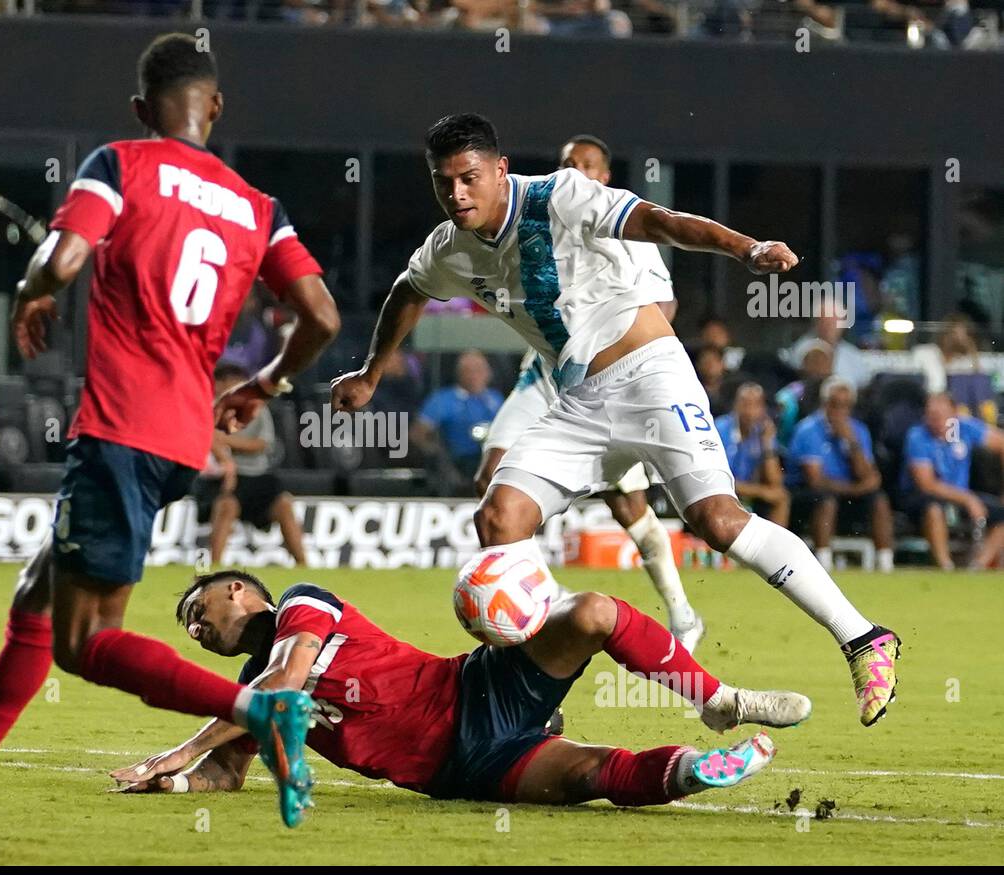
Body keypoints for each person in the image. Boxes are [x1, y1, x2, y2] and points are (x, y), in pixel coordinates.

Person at [0, 34, 343, 846]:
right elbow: (324, 317)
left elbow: (66, 255)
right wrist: (265, 384)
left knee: (86, 646)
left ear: (139, 109)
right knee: (34, 606)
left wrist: (31, 290)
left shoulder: (120, 163)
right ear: (215, 108)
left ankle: (258, 707)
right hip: (181, 443)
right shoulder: (259, 208)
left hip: (119, 428)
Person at [332, 113, 899, 727]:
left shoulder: (559, 194)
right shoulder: (449, 245)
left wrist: (746, 247)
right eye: (444, 183)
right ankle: (534, 690)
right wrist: (371, 372)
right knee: (498, 518)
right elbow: (408, 292)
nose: (457, 195)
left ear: (499, 170)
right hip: (577, 401)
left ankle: (864, 639)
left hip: (651, 374)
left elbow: (660, 222)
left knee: (717, 520)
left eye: (469, 178)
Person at [109, 570, 808, 808]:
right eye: (190, 629)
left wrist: (177, 747)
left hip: (474, 691)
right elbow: (226, 777)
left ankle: (714, 698)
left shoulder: (302, 604)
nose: (196, 630)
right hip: (464, 769)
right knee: (595, 774)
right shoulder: (245, 697)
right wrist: (172, 784)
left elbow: (286, 680)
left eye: (198, 613)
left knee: (593, 611)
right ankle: (700, 770)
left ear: (237, 591)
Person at [475, 134, 705, 653]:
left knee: (627, 506)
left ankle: (682, 613)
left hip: (606, 374)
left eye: (587, 164)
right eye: (567, 163)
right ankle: (539, 603)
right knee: (492, 477)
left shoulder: (627, 229)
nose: (576, 170)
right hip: (542, 376)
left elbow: (660, 308)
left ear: (604, 175)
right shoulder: (532, 218)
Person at [194, 363, 307, 567]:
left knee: (284, 504)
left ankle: (303, 564)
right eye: (231, 385)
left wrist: (226, 441)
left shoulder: (256, 408)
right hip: (222, 477)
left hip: (257, 475)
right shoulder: (208, 408)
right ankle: (215, 565)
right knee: (226, 507)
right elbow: (208, 438)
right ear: (218, 385)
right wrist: (227, 459)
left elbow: (262, 444)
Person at [786, 377, 895, 573]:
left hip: (847, 492)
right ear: (825, 403)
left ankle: (886, 562)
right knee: (826, 500)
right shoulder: (808, 430)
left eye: (846, 405)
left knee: (879, 500)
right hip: (808, 494)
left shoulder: (858, 430)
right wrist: (857, 488)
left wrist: (851, 442)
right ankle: (824, 560)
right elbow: (815, 480)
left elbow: (869, 475)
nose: (840, 411)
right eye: (835, 404)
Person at [901, 392, 1004, 570]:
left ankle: (978, 565)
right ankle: (945, 565)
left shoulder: (965, 428)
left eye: (941, 416)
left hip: (961, 493)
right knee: (933, 509)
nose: (936, 422)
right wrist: (968, 499)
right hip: (926, 495)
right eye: (931, 416)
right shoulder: (917, 436)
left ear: (954, 414)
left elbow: (1001, 443)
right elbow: (927, 484)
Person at [413, 349, 504, 489]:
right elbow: (418, 432)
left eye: (479, 370)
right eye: (468, 370)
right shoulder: (443, 399)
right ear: (459, 373)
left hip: (489, 460)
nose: (474, 375)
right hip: (454, 462)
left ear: (488, 373)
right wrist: (436, 454)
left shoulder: (495, 399)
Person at [715, 383, 789, 527]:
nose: (749, 411)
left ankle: (772, 548)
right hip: (723, 491)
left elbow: (775, 482)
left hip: (749, 492)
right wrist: (761, 492)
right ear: (735, 405)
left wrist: (767, 445)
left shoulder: (764, 431)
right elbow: (719, 480)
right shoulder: (720, 428)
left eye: (756, 405)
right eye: (745, 404)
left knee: (781, 497)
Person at [781, 304, 871, 391]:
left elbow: (864, 382)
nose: (830, 327)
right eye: (826, 322)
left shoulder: (852, 353)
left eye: (835, 322)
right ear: (816, 323)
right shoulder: (803, 349)